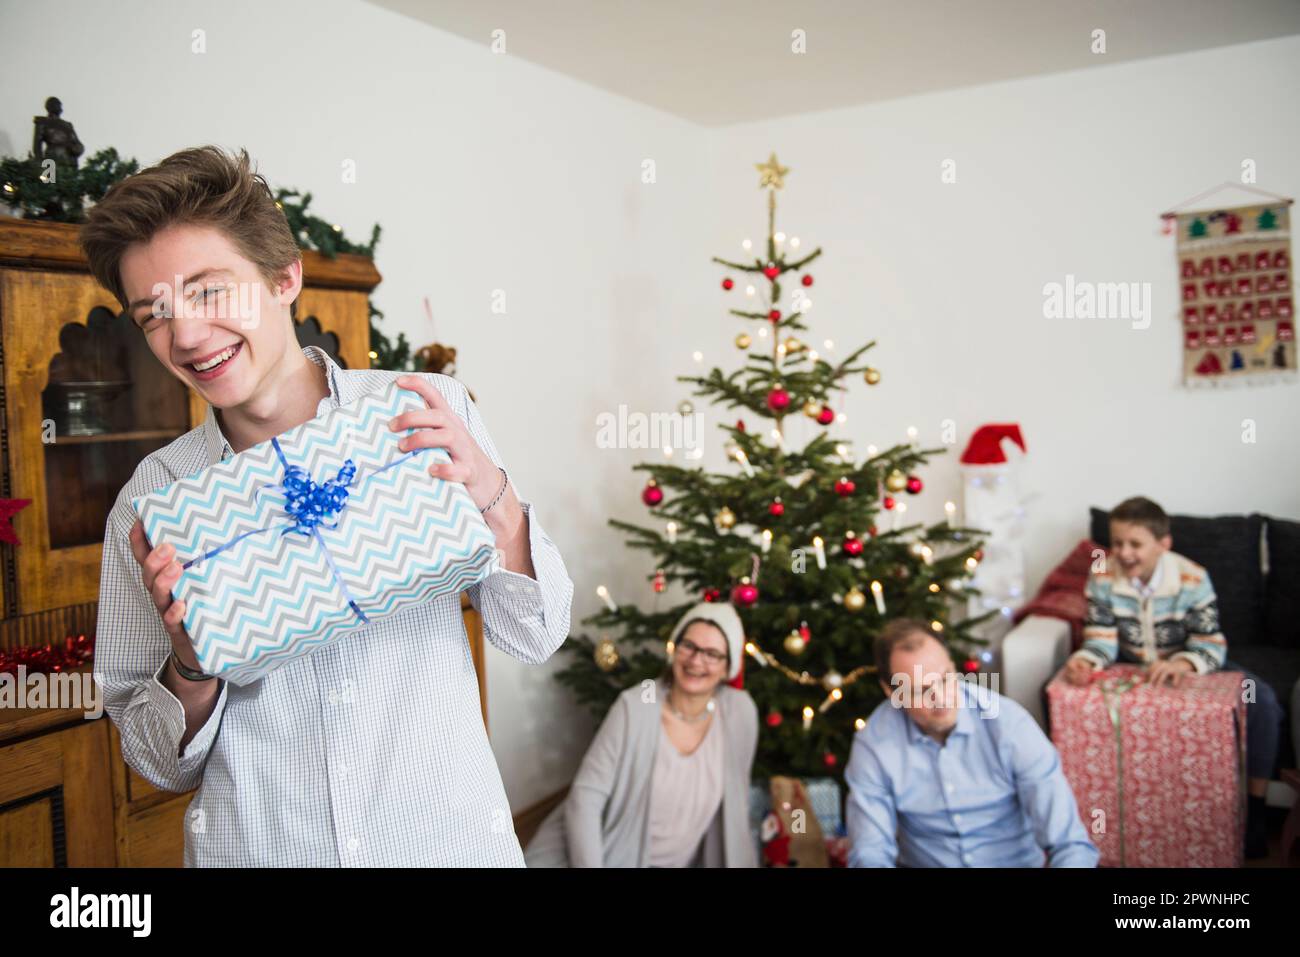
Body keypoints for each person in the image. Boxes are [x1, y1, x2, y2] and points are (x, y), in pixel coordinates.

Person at [81, 145, 574, 866]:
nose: (183, 335)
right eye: (154, 312)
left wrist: (493, 496)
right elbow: (157, 763)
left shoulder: (424, 412)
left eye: (210, 291)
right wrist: (190, 662)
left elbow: (535, 632)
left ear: (285, 278)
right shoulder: (152, 504)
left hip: (445, 845)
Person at [1062, 495, 1282, 858]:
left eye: (1136, 544)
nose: (1124, 552)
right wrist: (1086, 660)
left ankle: (1255, 807)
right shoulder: (1102, 575)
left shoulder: (1192, 578)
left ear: (1163, 544)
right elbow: (1100, 639)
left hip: (1192, 662)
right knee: (1063, 690)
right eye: (1117, 543)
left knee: (1260, 699)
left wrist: (1182, 664)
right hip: (1131, 665)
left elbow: (1210, 644)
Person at [845, 618, 1098, 868]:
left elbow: (1069, 844)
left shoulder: (1010, 725)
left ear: (953, 668)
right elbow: (870, 852)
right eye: (921, 690)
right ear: (892, 692)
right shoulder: (874, 744)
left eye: (945, 679)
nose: (941, 699)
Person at [524, 602, 758, 867]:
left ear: (729, 667)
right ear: (674, 648)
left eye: (712, 654)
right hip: (605, 853)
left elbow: (737, 807)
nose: (695, 661)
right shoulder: (636, 705)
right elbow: (585, 797)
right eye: (689, 645)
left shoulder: (740, 712)